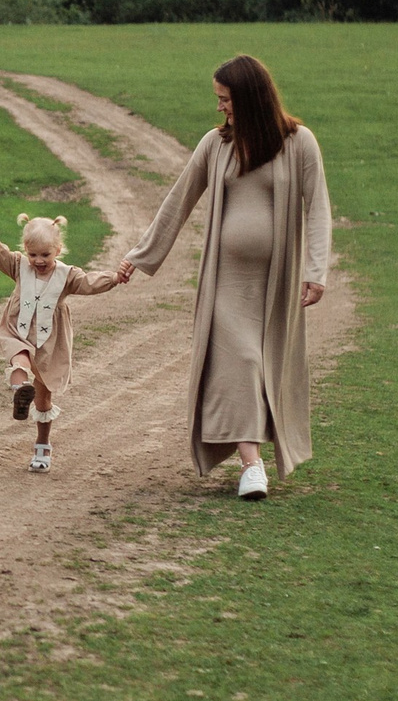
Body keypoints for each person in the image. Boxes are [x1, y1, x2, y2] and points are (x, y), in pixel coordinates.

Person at [115, 54, 331, 501]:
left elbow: (319, 208)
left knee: (264, 364)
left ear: (250, 99)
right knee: (244, 364)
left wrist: (315, 271)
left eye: (226, 99)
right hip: (226, 282)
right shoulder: (215, 145)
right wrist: (139, 256)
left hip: (276, 285)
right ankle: (252, 466)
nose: (220, 108)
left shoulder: (299, 142)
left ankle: (253, 460)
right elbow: (179, 200)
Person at [0, 211, 117, 472]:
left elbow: (88, 283)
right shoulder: (19, 266)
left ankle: (43, 443)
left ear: (58, 250)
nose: (38, 261)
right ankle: (20, 392)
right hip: (19, 329)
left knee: (44, 398)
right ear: (25, 251)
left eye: (45, 255)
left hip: (50, 340)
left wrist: (115, 277)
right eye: (33, 254)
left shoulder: (67, 275)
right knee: (19, 355)